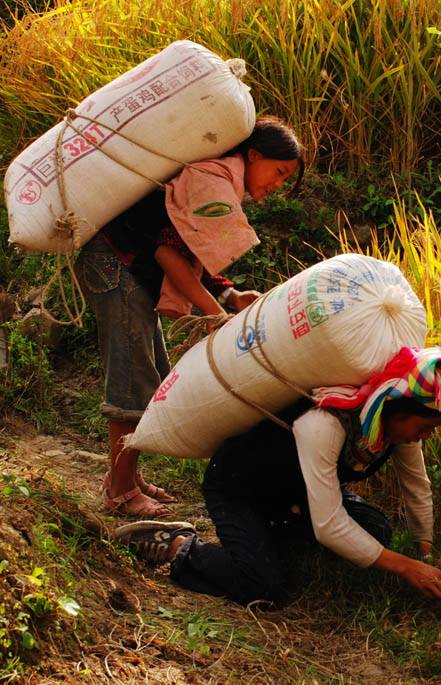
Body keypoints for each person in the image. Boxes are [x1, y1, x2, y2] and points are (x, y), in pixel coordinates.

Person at [113, 346, 441, 604]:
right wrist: (404, 567)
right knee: (262, 587)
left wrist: (424, 555)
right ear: (394, 407)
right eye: (425, 425)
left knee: (375, 530)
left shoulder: (396, 432)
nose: (425, 435)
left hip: (294, 495)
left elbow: (417, 487)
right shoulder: (325, 423)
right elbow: (329, 525)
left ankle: (259, 548)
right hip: (242, 488)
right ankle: (180, 546)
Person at [77, 115, 303, 518]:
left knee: (151, 374)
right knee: (134, 378)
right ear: (253, 155)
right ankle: (121, 492)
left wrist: (228, 293)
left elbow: (180, 248)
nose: (277, 184)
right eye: (279, 171)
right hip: (116, 263)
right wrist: (215, 314)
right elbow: (168, 256)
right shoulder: (212, 182)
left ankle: (125, 478)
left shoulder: (215, 179)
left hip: (123, 266)